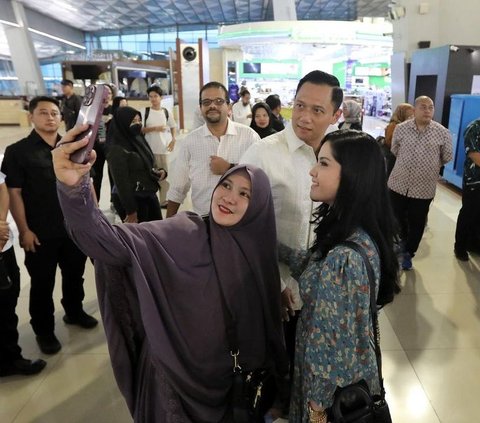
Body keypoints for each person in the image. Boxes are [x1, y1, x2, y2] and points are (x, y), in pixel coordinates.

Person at [52, 130, 288, 422]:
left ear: (259, 207)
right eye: (226, 185)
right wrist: (74, 188)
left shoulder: (259, 255)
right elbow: (104, 241)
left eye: (245, 194)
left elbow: (266, 333)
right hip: (176, 382)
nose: (229, 197)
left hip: (232, 391)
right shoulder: (185, 232)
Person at [279, 130, 400, 421]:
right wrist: (270, 246)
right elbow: (313, 268)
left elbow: (327, 350)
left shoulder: (344, 258)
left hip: (330, 396)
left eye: (323, 163)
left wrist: (316, 413)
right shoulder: (356, 231)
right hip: (351, 379)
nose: (312, 171)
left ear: (352, 175)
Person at [240, 70, 344, 401]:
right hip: (276, 290)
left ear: (335, 115)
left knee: (313, 368)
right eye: (300, 106)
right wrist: (276, 283)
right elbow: (243, 226)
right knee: (274, 365)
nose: (305, 117)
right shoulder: (263, 154)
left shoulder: (341, 156)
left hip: (324, 292)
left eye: (317, 110)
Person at [1, 96, 98, 355]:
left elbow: (85, 184)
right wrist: (24, 230)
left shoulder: (73, 147)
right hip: (39, 231)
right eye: (43, 113)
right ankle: (44, 331)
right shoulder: (18, 152)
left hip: (72, 228)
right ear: (31, 117)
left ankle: (74, 312)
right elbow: (14, 193)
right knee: (42, 283)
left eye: (55, 113)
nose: (50, 118)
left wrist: (92, 219)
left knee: (74, 274)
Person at [167, 81, 260, 217]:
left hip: (241, 221)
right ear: (200, 108)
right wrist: (167, 226)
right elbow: (178, 189)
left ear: (229, 106)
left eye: (218, 101)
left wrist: (229, 168)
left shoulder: (249, 137)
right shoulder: (190, 142)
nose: (212, 106)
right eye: (206, 102)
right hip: (204, 221)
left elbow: (259, 179)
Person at [388, 96, 453, 270]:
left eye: (430, 107)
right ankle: (398, 244)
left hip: (423, 189)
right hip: (398, 184)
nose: (427, 110)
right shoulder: (401, 129)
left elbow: (447, 156)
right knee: (396, 218)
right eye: (423, 107)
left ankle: (409, 252)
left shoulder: (442, 132)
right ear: (414, 110)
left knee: (417, 222)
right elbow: (395, 149)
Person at [0, 173, 46, 377]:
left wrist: (0, 223)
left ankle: (10, 358)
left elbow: (2, 188)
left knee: (8, 299)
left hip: (3, 244)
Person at [106, 106, 165, 223]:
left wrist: (159, 171)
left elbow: (148, 161)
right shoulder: (116, 149)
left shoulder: (138, 138)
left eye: (139, 120)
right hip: (133, 200)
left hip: (148, 193)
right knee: (143, 237)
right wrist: (131, 211)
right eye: (133, 121)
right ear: (123, 123)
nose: (138, 124)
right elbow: (121, 183)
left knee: (157, 231)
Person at [142, 85, 177, 207]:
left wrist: (173, 139)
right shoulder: (145, 111)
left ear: (160, 97)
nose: (153, 99)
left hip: (163, 148)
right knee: (149, 175)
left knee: (164, 176)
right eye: (150, 96)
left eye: (155, 96)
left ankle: (163, 200)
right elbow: (140, 130)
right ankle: (150, 199)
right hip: (148, 149)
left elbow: (173, 126)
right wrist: (155, 128)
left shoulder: (166, 112)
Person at [454, 118, 480, 261]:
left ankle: (474, 244)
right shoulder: (474, 127)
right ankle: (460, 247)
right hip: (474, 181)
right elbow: (474, 155)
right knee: (469, 214)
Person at [91, 83, 115, 202]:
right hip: (97, 147)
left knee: (114, 176)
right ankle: (96, 203)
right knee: (97, 176)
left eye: (110, 93)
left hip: (112, 147)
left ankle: (114, 201)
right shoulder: (94, 110)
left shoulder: (115, 110)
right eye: (105, 93)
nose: (107, 95)